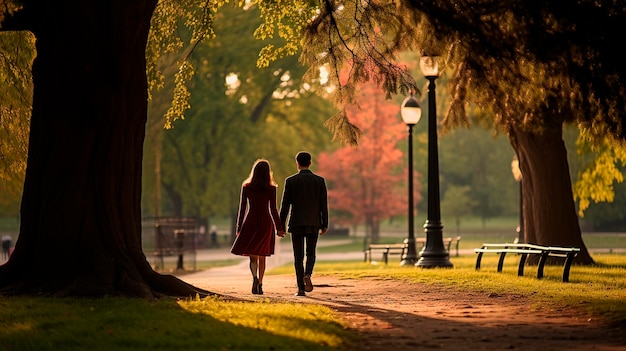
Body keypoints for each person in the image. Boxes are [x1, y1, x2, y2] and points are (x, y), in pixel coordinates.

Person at [231, 159, 285, 295]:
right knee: (262, 256)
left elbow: (242, 208)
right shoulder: (271, 189)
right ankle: (260, 284)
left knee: (253, 256)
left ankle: (254, 277)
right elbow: (273, 209)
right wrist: (279, 227)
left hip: (251, 221)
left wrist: (239, 227)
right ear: (268, 173)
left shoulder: (247, 187)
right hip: (266, 223)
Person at [279, 151, 329, 296]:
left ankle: (301, 288)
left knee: (298, 256)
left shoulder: (290, 181)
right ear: (310, 162)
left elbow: (285, 206)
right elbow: (323, 205)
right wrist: (324, 223)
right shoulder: (319, 181)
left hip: (296, 223)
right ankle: (308, 274)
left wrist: (281, 226)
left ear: (297, 163)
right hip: (314, 222)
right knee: (311, 253)